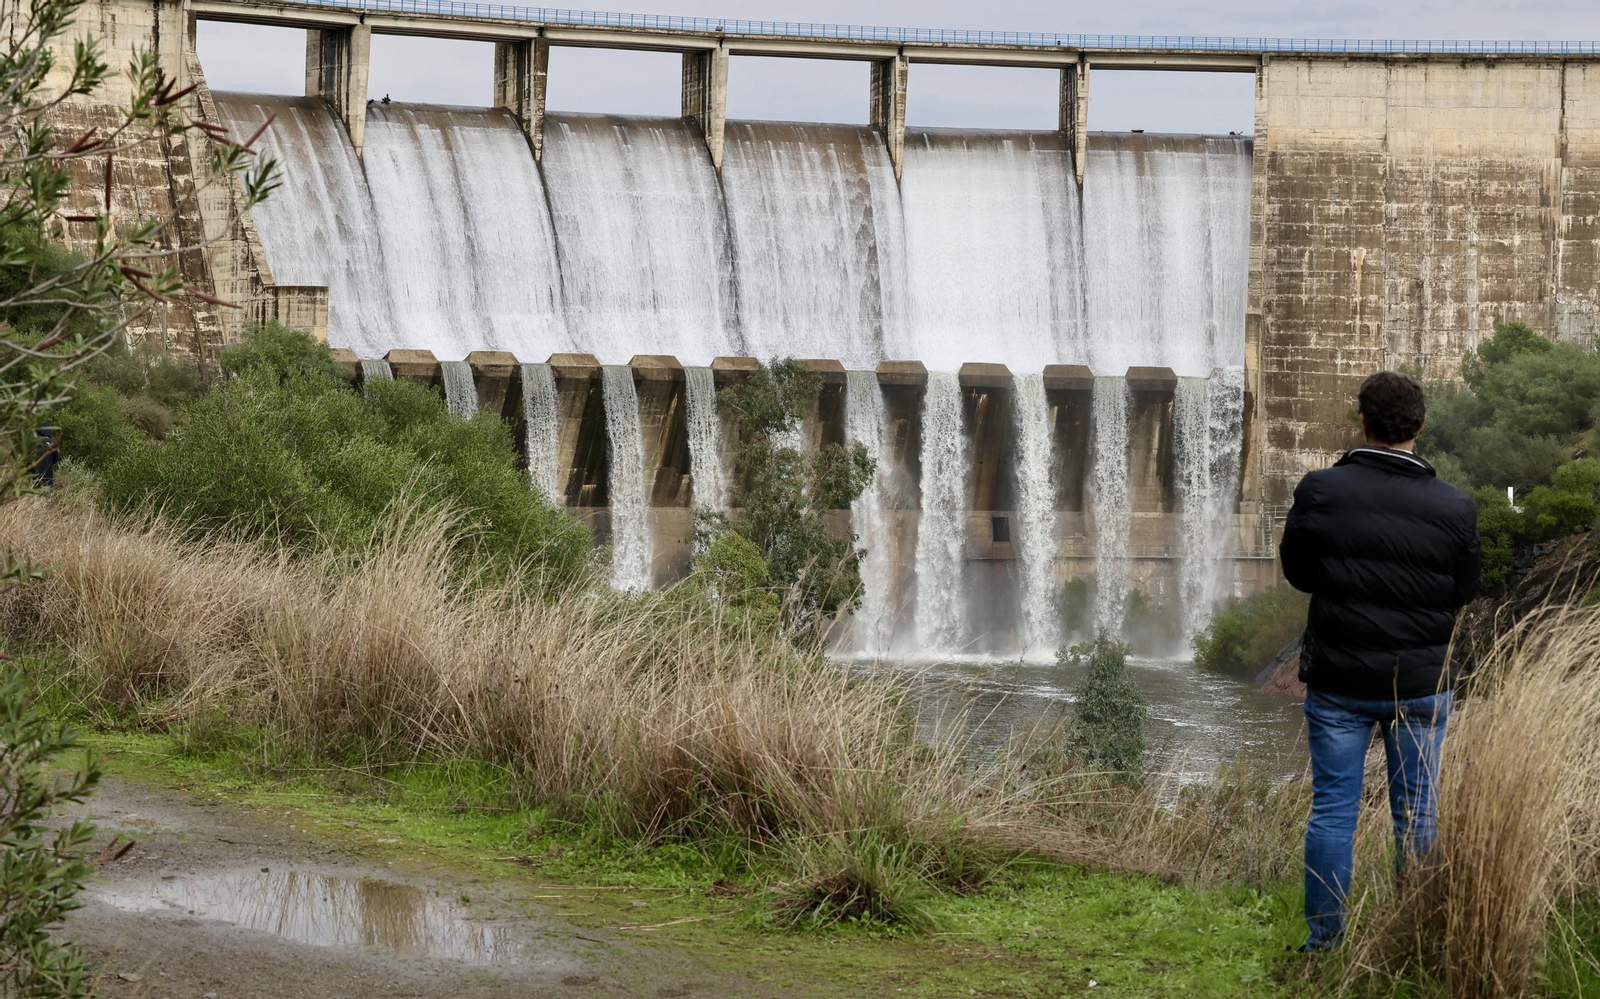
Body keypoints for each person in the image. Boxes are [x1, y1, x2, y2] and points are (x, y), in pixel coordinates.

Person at [1278, 370, 1481, 952]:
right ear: (1419, 425)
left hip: (1340, 681)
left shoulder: (1321, 489)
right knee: (1417, 814)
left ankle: (1325, 944)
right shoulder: (1455, 507)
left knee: (1333, 812)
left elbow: (1298, 573)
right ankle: (1414, 941)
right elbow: (1461, 590)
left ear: (1362, 422)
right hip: (1420, 684)